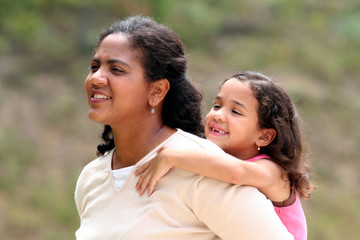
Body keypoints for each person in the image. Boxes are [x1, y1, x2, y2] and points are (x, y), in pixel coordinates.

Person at [74, 15, 294, 239]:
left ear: (156, 91)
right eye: (94, 67)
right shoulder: (91, 178)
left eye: (117, 70)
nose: (96, 78)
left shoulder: (203, 169)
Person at [135, 71, 317, 240]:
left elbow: (236, 173)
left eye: (235, 111)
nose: (218, 115)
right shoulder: (216, 158)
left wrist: (172, 157)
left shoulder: (273, 172)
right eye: (217, 105)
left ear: (264, 136)